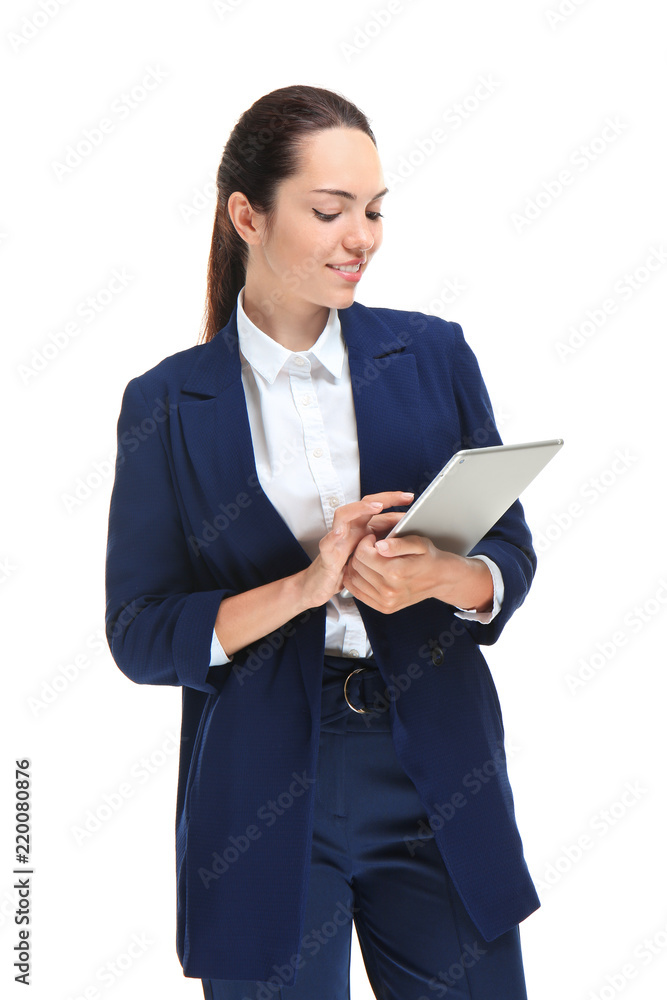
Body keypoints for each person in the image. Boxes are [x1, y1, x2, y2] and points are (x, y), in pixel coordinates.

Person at [105, 84, 541, 1000]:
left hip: (435, 768)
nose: (361, 238)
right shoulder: (169, 403)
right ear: (247, 216)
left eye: (373, 210)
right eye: (330, 210)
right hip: (262, 788)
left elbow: (508, 553)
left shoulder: (432, 355)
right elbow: (140, 632)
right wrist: (305, 587)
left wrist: (443, 575)